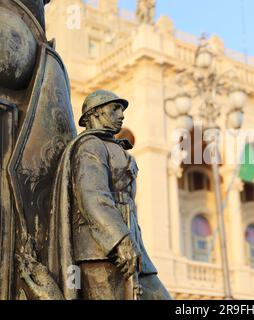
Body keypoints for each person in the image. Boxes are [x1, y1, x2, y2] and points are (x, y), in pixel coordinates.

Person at [48, 90, 171, 300]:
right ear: (95, 113)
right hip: (102, 251)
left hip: (130, 247)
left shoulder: (113, 147)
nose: (121, 115)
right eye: (114, 109)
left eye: (121, 110)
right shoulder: (91, 145)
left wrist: (131, 241)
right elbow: (93, 197)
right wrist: (121, 240)